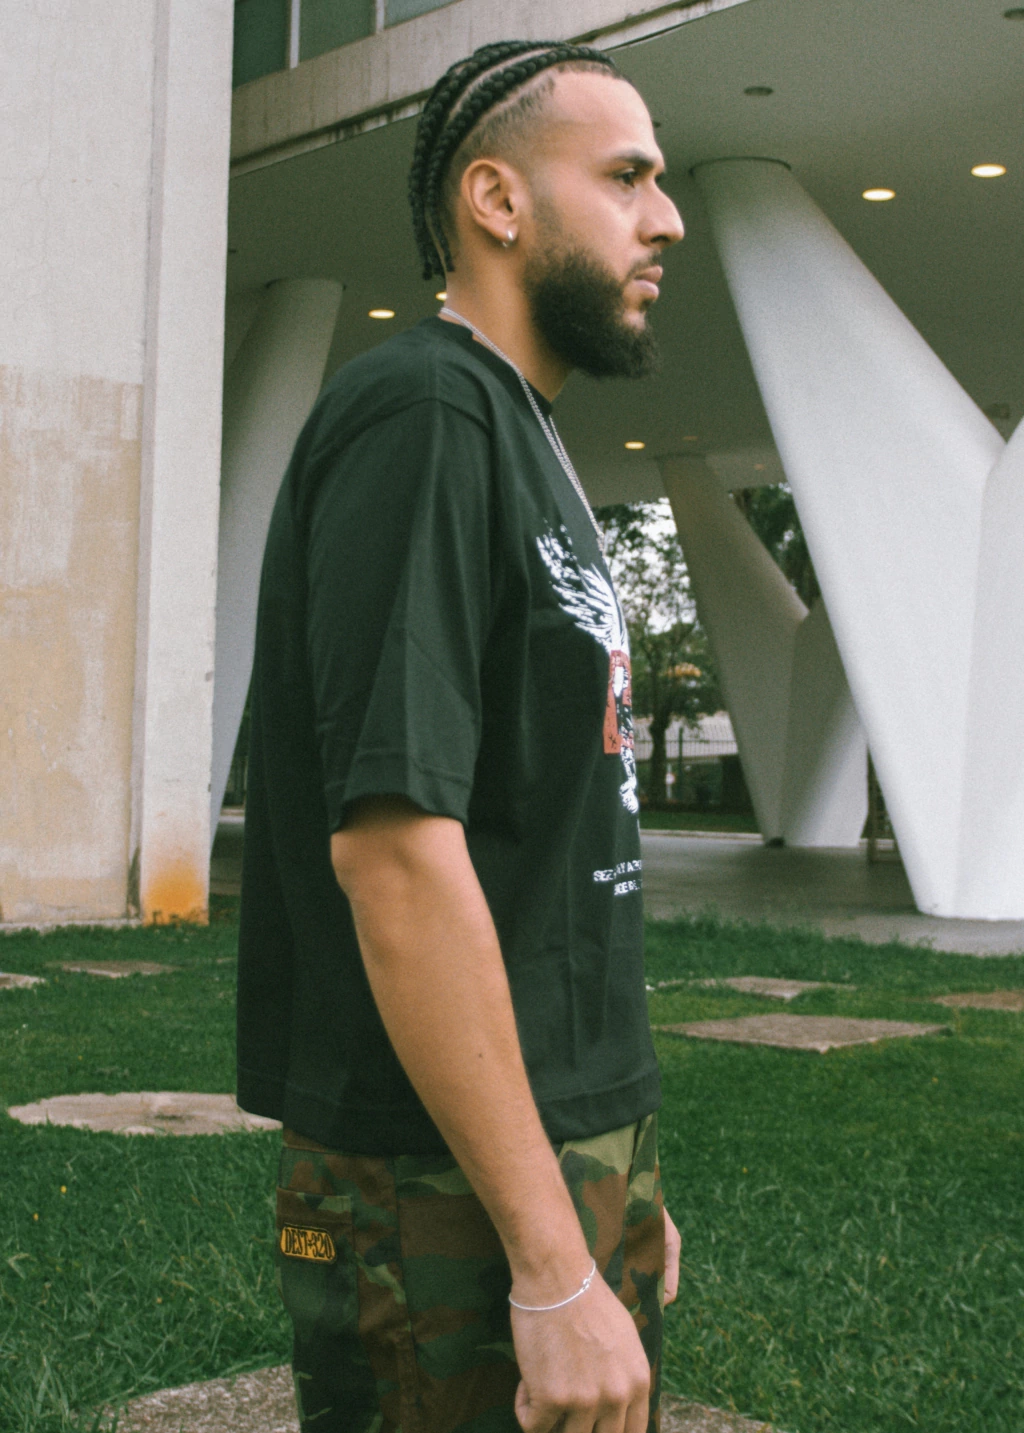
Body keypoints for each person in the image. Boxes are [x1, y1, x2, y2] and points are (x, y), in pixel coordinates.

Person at [236, 38, 685, 1433]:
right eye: (626, 177)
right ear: (497, 200)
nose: (668, 218)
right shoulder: (423, 413)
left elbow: (542, 838)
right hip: (431, 1183)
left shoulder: (522, 434)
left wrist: (615, 1175)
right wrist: (551, 1260)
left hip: (556, 1147)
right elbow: (395, 854)